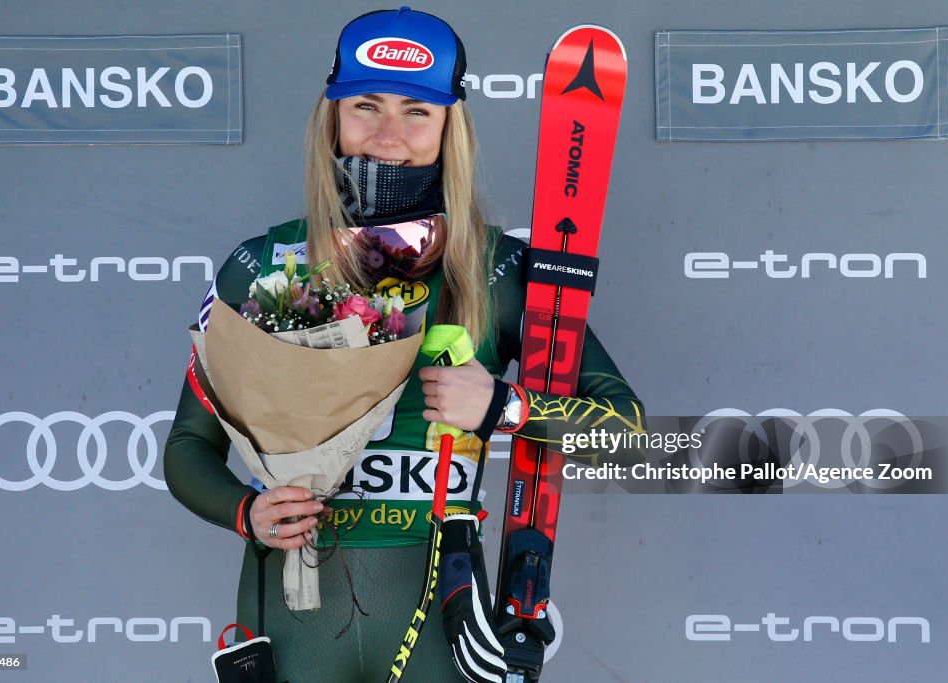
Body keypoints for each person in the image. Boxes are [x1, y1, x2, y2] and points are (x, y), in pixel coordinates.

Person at [164, 7, 645, 682]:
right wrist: (247, 510)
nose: (388, 136)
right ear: (331, 114)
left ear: (453, 127)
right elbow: (188, 447)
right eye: (365, 105)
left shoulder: (497, 271)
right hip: (296, 613)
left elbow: (627, 431)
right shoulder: (265, 264)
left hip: (439, 616)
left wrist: (506, 407)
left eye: (418, 111)